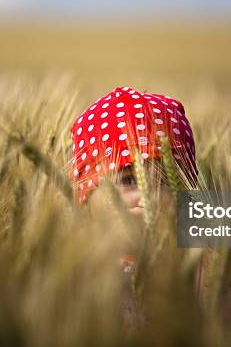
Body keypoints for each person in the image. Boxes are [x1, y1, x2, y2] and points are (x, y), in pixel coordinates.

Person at [68, 85, 200, 327]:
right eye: (128, 180)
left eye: (165, 182)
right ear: (85, 194)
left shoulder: (202, 273)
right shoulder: (76, 277)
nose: (148, 196)